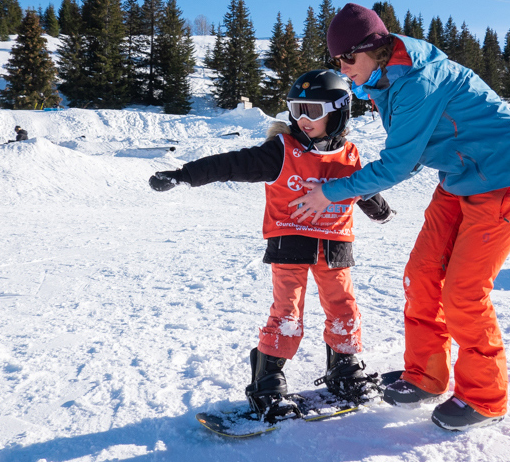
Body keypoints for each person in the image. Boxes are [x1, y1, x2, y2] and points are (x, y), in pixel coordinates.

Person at [289, 3, 510, 431]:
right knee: (422, 274)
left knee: (463, 292)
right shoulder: (381, 78)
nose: (343, 68)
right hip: (461, 176)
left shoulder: (418, 82)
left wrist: (332, 193)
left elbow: (396, 165)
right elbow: (399, 152)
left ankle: (485, 398)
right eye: (337, 60)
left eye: (348, 59)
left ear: (375, 46)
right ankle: (426, 376)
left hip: (505, 176)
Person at [148, 70, 395, 421]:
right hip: (291, 239)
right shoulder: (281, 151)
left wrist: (381, 212)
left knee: (344, 308)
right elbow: (231, 164)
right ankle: (267, 380)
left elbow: (364, 188)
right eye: (296, 109)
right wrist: (183, 174)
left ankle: (344, 367)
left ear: (339, 111)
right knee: (287, 313)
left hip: (336, 244)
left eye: (312, 110)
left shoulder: (350, 155)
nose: (302, 119)